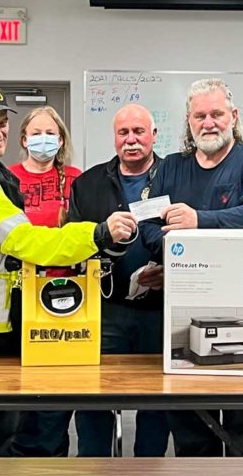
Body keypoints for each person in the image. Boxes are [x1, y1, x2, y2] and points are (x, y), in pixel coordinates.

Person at [0, 83, 135, 457]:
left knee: (18, 419)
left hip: (19, 314)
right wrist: (97, 233)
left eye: (1, 122)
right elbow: (24, 241)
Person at [142, 78, 243, 457]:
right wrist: (178, 254)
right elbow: (148, 227)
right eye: (199, 116)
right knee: (190, 423)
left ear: (233, 116)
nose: (208, 123)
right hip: (183, 311)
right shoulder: (171, 167)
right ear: (189, 121)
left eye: (216, 114)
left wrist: (197, 221)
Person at [70, 103, 169, 457]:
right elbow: (73, 246)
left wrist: (170, 271)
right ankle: (94, 465)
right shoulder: (87, 184)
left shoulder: (174, 178)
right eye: (123, 133)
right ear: (114, 138)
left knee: (157, 403)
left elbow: (190, 238)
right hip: (105, 310)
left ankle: (149, 466)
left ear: (153, 135)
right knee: (95, 398)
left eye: (139, 132)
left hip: (160, 311)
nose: (131, 140)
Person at [6, 106, 82, 456]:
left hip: (67, 296)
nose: (43, 140)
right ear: (23, 140)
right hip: (17, 295)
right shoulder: (6, 178)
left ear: (61, 139)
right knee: (22, 383)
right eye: (35, 133)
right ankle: (19, 456)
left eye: (50, 133)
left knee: (58, 385)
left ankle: (53, 456)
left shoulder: (78, 180)